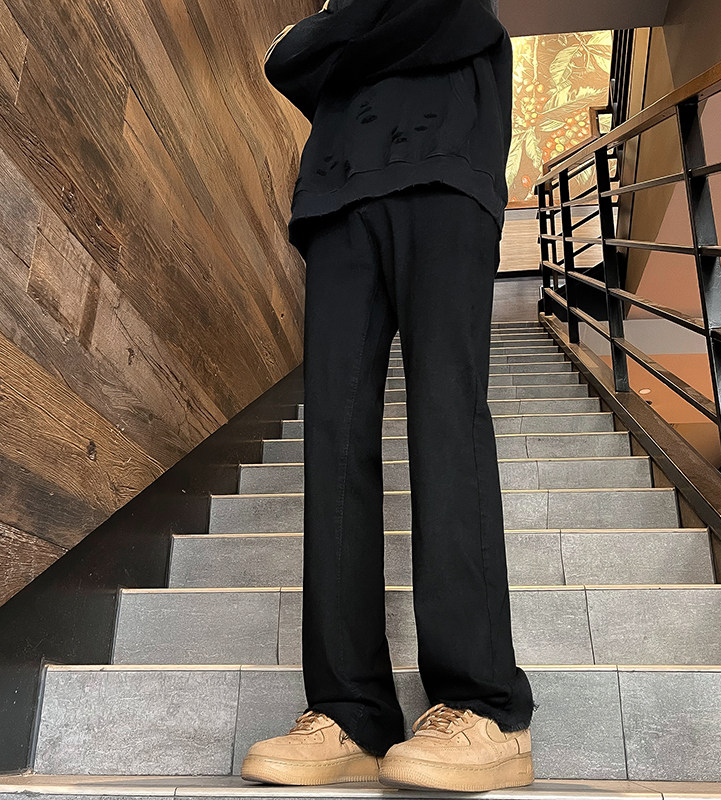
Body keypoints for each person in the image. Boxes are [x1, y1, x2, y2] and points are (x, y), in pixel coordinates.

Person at [242, 0, 534, 791]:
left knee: (447, 424)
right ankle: (349, 711)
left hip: (447, 175)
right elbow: (284, 60)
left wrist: (335, 39)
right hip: (336, 198)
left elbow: (452, 16)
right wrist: (345, 34)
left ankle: (484, 706)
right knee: (333, 445)